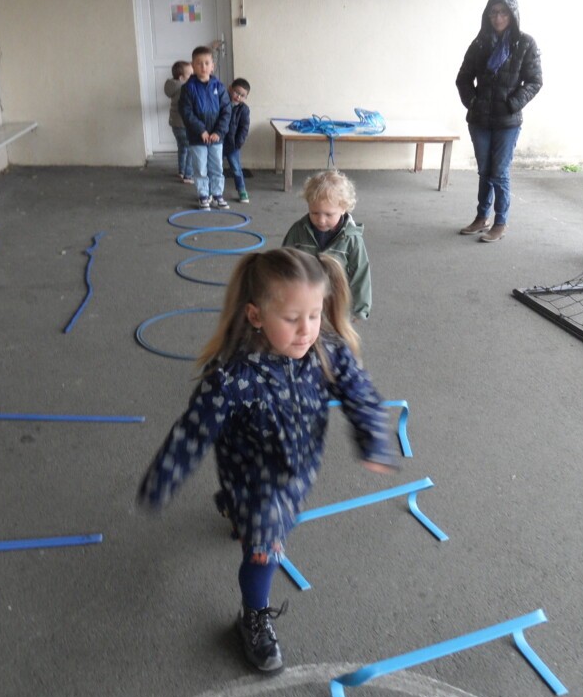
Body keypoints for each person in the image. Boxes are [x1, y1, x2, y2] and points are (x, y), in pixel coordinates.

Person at [137, 248, 396, 673]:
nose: (306, 330)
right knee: (264, 549)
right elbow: (193, 432)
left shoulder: (327, 353)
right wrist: (163, 478)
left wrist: (373, 438)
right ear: (256, 316)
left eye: (315, 315)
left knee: (254, 518)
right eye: (292, 318)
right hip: (252, 478)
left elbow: (360, 392)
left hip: (298, 471)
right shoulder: (232, 378)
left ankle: (234, 508)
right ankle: (253, 615)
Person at [455, 0, 542, 243]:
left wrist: (513, 103)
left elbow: (535, 81)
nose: (498, 17)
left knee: (500, 172)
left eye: (503, 12)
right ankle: (482, 217)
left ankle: (500, 222)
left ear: (512, 14)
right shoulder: (480, 43)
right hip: (480, 119)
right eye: (493, 12)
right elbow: (463, 78)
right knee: (485, 171)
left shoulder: (525, 43)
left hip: (507, 121)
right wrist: (473, 102)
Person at [281, 170, 372, 320]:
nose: (321, 220)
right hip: (304, 299)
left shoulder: (352, 239)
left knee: (335, 332)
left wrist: (360, 309)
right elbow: (284, 263)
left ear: (343, 208)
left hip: (336, 303)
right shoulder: (298, 231)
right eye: (314, 213)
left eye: (328, 214)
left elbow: (360, 273)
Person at [180, 45, 232, 209]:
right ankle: (203, 195)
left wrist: (218, 132)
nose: (203, 67)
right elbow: (186, 112)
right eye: (199, 63)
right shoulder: (188, 88)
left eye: (207, 63)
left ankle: (217, 194)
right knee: (200, 168)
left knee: (217, 167)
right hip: (197, 138)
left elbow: (226, 111)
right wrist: (201, 130)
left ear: (212, 66)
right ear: (193, 66)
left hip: (216, 138)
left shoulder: (219, 87)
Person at [164, 60, 194, 184]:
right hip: (184, 124)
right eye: (190, 75)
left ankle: (181, 171)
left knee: (182, 147)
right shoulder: (184, 88)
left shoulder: (173, 86)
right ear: (181, 78)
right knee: (192, 148)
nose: (193, 76)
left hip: (175, 124)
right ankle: (188, 175)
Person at [224, 78, 252, 204]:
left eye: (242, 95)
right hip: (218, 143)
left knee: (236, 168)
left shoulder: (244, 110)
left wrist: (238, 143)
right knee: (214, 168)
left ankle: (241, 190)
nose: (238, 97)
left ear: (246, 97)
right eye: (236, 92)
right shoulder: (222, 103)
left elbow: (244, 128)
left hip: (233, 145)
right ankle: (212, 191)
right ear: (230, 89)